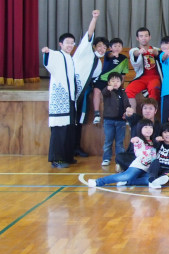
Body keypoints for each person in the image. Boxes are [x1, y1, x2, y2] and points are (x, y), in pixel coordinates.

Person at [42, 9, 100, 168]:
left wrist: (94, 19)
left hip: (71, 100)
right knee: (59, 130)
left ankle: (67, 157)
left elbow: (88, 36)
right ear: (61, 44)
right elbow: (48, 57)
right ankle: (57, 159)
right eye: (67, 42)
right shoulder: (57, 55)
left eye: (72, 43)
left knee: (69, 129)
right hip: (60, 100)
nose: (70, 45)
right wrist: (46, 52)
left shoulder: (71, 58)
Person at [87, 119, 156, 187]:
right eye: (145, 127)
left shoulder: (154, 142)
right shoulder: (139, 140)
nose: (148, 129)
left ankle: (127, 182)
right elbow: (135, 141)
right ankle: (98, 182)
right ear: (140, 129)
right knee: (126, 176)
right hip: (138, 166)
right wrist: (135, 140)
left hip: (148, 169)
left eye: (150, 127)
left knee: (151, 180)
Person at [128, 122, 169, 188]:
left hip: (168, 168)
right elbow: (154, 146)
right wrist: (157, 141)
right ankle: (152, 179)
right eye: (165, 132)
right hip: (156, 167)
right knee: (155, 162)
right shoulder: (159, 143)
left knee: (168, 174)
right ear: (161, 134)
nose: (168, 134)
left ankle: (160, 180)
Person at [116, 98, 161, 172]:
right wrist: (128, 113)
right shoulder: (137, 119)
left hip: (149, 155)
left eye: (150, 108)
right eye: (145, 108)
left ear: (155, 111)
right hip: (134, 154)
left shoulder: (158, 125)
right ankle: (141, 169)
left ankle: (132, 168)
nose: (147, 111)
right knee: (119, 157)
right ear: (142, 110)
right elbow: (130, 116)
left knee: (157, 162)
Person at [92, 38, 129, 124]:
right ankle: (97, 114)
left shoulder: (124, 59)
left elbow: (123, 75)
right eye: (115, 46)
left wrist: (120, 86)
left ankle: (125, 115)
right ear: (110, 48)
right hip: (103, 79)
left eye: (119, 46)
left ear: (122, 48)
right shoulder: (107, 54)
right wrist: (113, 54)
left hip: (115, 82)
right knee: (96, 91)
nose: (117, 48)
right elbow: (110, 55)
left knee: (121, 96)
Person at [125, 27, 162, 112]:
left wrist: (156, 53)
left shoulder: (156, 49)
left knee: (154, 90)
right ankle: (132, 114)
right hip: (141, 78)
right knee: (128, 91)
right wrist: (139, 52)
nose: (144, 38)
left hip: (155, 78)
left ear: (150, 37)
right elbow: (134, 53)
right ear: (137, 38)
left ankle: (151, 115)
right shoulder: (134, 50)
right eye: (141, 36)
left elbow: (161, 55)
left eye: (146, 36)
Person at [100, 72, 131, 167]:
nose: (115, 83)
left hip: (121, 121)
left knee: (119, 143)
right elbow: (104, 92)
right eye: (112, 81)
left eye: (117, 81)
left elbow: (127, 104)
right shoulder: (108, 92)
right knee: (108, 141)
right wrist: (107, 88)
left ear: (121, 82)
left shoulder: (123, 92)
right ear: (109, 82)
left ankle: (120, 160)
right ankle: (106, 158)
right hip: (108, 121)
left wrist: (128, 111)